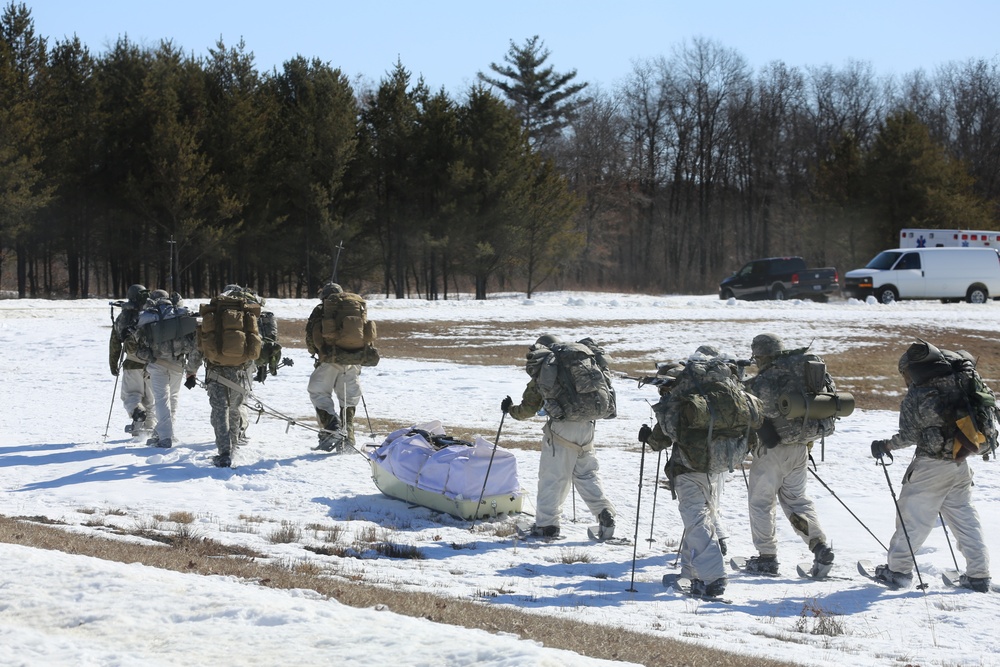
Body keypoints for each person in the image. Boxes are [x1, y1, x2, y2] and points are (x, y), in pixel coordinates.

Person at [870, 341, 995, 592]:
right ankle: (979, 575)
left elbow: (908, 436)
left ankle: (898, 572)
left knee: (912, 520)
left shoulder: (919, 395)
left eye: (905, 373)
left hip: (930, 468)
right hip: (960, 464)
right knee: (965, 521)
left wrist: (885, 446)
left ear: (913, 371)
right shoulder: (959, 385)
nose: (905, 379)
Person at [640, 347, 761, 598]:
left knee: (696, 520)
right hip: (720, 464)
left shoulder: (686, 392)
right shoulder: (728, 389)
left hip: (690, 466)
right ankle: (691, 573)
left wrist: (649, 438)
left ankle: (713, 577)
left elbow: (662, 436)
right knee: (700, 518)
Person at [501, 334, 616, 540]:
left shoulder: (548, 365)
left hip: (561, 430)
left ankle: (547, 526)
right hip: (587, 427)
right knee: (587, 474)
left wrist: (510, 410)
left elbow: (528, 408)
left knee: (552, 478)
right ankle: (604, 513)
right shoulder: (581, 362)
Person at [743, 333, 836, 577]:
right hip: (801, 447)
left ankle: (767, 557)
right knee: (797, 500)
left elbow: (755, 408)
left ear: (760, 355)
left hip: (773, 450)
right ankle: (819, 545)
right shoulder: (801, 371)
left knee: (761, 502)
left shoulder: (767, 378)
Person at [193, 285, 272, 467]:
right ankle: (234, 447)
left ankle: (224, 453)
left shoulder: (211, 317)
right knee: (235, 410)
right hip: (241, 371)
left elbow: (199, 347)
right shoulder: (246, 316)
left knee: (220, 411)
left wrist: (192, 370)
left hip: (216, 371)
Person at [305, 282, 379, 452]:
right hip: (353, 361)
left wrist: (318, 351)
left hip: (329, 360)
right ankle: (348, 440)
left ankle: (332, 427)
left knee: (318, 392)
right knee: (348, 400)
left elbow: (311, 338)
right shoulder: (354, 307)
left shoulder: (322, 310)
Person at [133, 290, 199, 448]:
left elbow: (138, 348)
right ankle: (167, 432)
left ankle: (165, 437)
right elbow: (194, 341)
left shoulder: (148, 317)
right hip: (178, 363)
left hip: (157, 364)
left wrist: (150, 358)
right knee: (173, 397)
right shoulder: (179, 315)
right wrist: (191, 369)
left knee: (161, 399)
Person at [109, 284, 156, 436]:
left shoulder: (123, 316)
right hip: (152, 362)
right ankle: (148, 429)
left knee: (131, 395)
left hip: (131, 362)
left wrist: (113, 364)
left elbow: (115, 342)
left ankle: (137, 412)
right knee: (150, 398)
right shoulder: (151, 312)